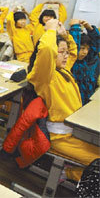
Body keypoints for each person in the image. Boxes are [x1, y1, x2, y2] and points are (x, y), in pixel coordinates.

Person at [27, 19, 99, 182]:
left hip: (75, 130)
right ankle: (68, 174)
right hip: (59, 138)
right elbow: (45, 49)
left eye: (66, 52)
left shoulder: (63, 70)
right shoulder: (45, 76)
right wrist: (50, 31)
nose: (66, 56)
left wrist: (65, 35)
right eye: (61, 52)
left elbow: (73, 52)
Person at [69, 19, 99, 105]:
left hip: (86, 101)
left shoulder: (87, 61)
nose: (85, 52)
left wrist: (90, 29)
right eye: (82, 48)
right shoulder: (71, 63)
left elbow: (96, 46)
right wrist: (75, 28)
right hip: (73, 103)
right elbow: (74, 45)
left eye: (87, 49)